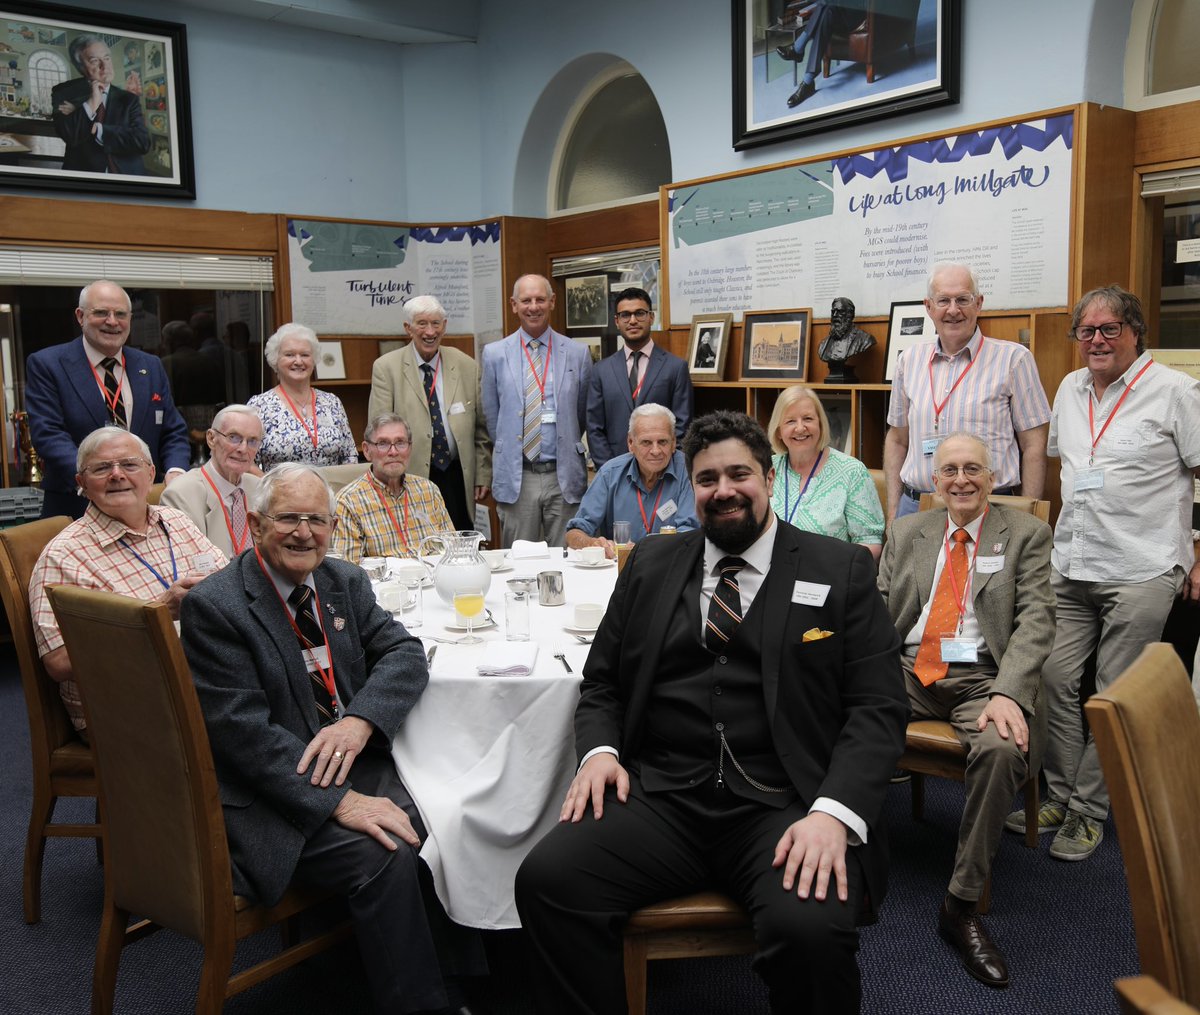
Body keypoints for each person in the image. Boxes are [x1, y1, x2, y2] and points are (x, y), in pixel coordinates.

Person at [515, 410, 907, 1015]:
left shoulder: (839, 569)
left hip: (784, 802)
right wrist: (600, 752)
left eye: (738, 474)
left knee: (809, 931)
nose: (723, 490)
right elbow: (602, 683)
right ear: (691, 486)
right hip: (664, 797)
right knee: (548, 883)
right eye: (706, 479)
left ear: (768, 478)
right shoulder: (649, 563)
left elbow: (878, 708)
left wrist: (834, 814)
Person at [180, 463, 484, 1015]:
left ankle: (457, 977)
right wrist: (339, 802)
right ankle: (422, 1003)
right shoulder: (216, 607)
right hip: (272, 793)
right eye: (288, 518)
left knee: (444, 810)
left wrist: (359, 720)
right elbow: (241, 737)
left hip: (345, 754)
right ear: (254, 522)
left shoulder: (343, 582)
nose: (304, 533)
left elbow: (405, 653)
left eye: (316, 520)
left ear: (333, 524)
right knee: (387, 849)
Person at [1009, 285, 1200, 861]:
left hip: (1141, 566)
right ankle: (1061, 795)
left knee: (1111, 694)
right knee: (1052, 679)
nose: (1096, 340)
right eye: (1086, 331)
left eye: (1109, 329)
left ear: (1135, 332)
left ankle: (1091, 811)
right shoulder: (1069, 388)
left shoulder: (1176, 391)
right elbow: (1072, 463)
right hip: (1072, 561)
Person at [877, 432, 1055, 989]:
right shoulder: (907, 532)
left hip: (983, 677)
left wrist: (1009, 692)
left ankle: (960, 904)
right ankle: (834, 854)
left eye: (972, 469)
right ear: (934, 480)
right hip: (910, 671)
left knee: (1004, 748)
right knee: (822, 709)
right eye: (950, 469)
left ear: (993, 474)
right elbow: (881, 613)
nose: (961, 480)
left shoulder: (1026, 534)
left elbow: (1038, 621)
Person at [29, 427, 226, 737]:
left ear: (151, 474)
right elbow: (58, 661)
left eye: (129, 465)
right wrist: (159, 611)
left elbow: (225, 583)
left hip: (200, 676)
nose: (117, 475)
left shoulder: (175, 521)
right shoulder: (64, 556)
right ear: (81, 483)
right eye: (102, 468)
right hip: (124, 706)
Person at [883, 263, 1051, 521]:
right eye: (943, 301)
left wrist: (1029, 519)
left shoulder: (1014, 360)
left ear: (979, 303)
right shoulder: (909, 361)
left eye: (963, 299)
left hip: (989, 509)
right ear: (928, 307)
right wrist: (894, 510)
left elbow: (1034, 446)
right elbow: (897, 440)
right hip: (916, 508)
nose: (953, 310)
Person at [24, 279, 190, 519]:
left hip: (144, 508)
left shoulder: (151, 366)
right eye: (101, 312)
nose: (112, 322)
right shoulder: (48, 365)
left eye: (120, 314)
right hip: (77, 507)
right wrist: (97, 479)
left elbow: (173, 430)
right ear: (80, 316)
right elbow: (48, 434)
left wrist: (176, 472)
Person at [481, 274, 592, 547]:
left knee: (567, 559)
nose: (534, 307)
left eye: (540, 299)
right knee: (520, 562)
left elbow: (581, 414)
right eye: (526, 300)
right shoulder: (494, 354)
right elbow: (492, 417)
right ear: (514, 305)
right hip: (519, 476)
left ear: (552, 302)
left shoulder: (577, 353)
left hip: (562, 474)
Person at [367, 295, 491, 531]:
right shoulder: (386, 368)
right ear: (408, 328)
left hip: (457, 476)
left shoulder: (466, 365)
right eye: (422, 323)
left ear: (444, 326)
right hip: (408, 476)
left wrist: (482, 475)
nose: (430, 331)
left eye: (436, 323)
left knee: (459, 544)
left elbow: (480, 430)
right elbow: (379, 430)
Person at [767, 385, 884, 562]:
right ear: (779, 431)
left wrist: (830, 568)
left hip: (829, 577)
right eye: (790, 421)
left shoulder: (852, 472)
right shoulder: (766, 469)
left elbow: (870, 543)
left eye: (808, 419)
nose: (800, 428)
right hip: (771, 573)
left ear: (820, 424)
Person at [565, 403, 697, 556]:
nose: (655, 451)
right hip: (618, 570)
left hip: (669, 566)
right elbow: (574, 532)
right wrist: (591, 543)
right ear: (630, 443)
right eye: (646, 442)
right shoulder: (610, 474)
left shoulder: (689, 471)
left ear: (674, 443)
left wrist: (643, 551)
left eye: (663, 442)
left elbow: (689, 535)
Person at [584, 287, 692, 469]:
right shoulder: (601, 370)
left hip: (662, 471)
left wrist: (663, 467)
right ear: (617, 321)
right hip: (615, 473)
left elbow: (682, 426)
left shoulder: (675, 367)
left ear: (651, 317)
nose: (633, 320)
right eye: (625, 315)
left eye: (639, 313)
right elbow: (594, 428)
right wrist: (611, 471)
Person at [332, 413, 455, 562]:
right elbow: (349, 573)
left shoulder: (429, 490)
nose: (393, 452)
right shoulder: (347, 503)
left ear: (410, 448)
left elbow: (452, 551)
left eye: (400, 442)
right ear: (366, 450)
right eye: (383, 443)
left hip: (433, 581)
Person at [248, 323, 358, 471]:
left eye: (305, 355)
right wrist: (273, 490)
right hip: (280, 492)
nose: (298, 361)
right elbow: (248, 462)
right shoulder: (258, 406)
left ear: (314, 360)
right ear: (275, 359)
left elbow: (350, 455)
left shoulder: (332, 402)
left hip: (331, 491)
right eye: (289, 355)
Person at [160, 405, 264, 558]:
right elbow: (190, 563)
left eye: (252, 441)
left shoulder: (260, 488)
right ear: (211, 439)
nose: (243, 448)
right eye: (234, 437)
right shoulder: (179, 495)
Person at [51, 34, 149, 175]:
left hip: (127, 176)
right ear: (81, 67)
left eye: (107, 58)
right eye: (95, 61)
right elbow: (69, 134)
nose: (105, 66)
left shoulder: (128, 99)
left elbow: (142, 142)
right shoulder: (64, 92)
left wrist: (96, 128)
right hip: (85, 177)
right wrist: (91, 103)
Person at [775, 1, 864, 108]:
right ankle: (807, 80)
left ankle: (798, 49)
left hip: (859, 13)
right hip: (840, 10)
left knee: (827, 6)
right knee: (825, 8)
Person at [818, 297, 876, 383]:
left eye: (839, 312)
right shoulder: (823, 345)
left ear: (850, 314)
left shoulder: (865, 339)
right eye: (833, 312)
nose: (834, 315)